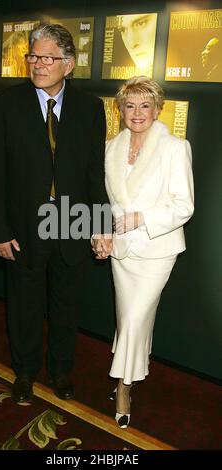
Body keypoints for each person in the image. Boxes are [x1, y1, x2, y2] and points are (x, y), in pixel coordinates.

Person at [0, 23, 111, 404]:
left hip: (72, 222)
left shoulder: (90, 108)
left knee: (66, 305)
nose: (37, 64)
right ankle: (24, 373)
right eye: (33, 56)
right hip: (24, 225)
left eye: (47, 58)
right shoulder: (5, 104)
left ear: (68, 65)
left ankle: (60, 371)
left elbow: (94, 174)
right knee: (24, 304)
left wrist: (99, 226)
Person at [103, 76, 194, 429]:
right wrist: (102, 231)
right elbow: (108, 203)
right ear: (120, 109)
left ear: (158, 109)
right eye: (130, 105)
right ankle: (131, 371)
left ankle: (123, 386)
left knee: (135, 317)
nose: (137, 112)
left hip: (157, 250)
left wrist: (140, 218)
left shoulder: (175, 147)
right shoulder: (111, 148)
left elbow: (183, 206)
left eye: (145, 105)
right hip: (122, 252)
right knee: (128, 317)